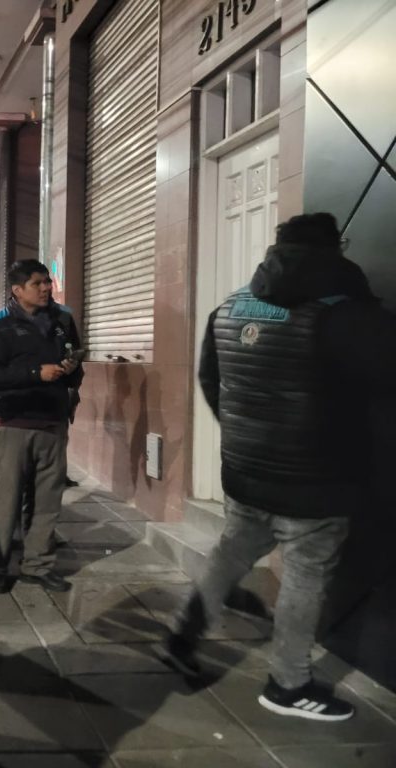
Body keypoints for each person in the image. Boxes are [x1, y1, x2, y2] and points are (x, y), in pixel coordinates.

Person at [160, 213, 396, 721]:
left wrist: (246, 437)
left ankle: (182, 635)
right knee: (305, 578)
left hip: (245, 473)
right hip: (317, 483)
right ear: (335, 249)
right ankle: (288, 685)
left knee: (230, 555)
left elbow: (211, 382)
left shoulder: (229, 308)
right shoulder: (348, 316)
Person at [0, 259, 83, 594]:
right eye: (37, 283)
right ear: (17, 290)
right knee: (5, 502)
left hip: (53, 422)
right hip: (14, 423)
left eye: (47, 281)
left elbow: (76, 365)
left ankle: (37, 565)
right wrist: (36, 374)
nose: (46, 288)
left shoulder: (62, 320)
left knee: (47, 502)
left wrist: (71, 369)